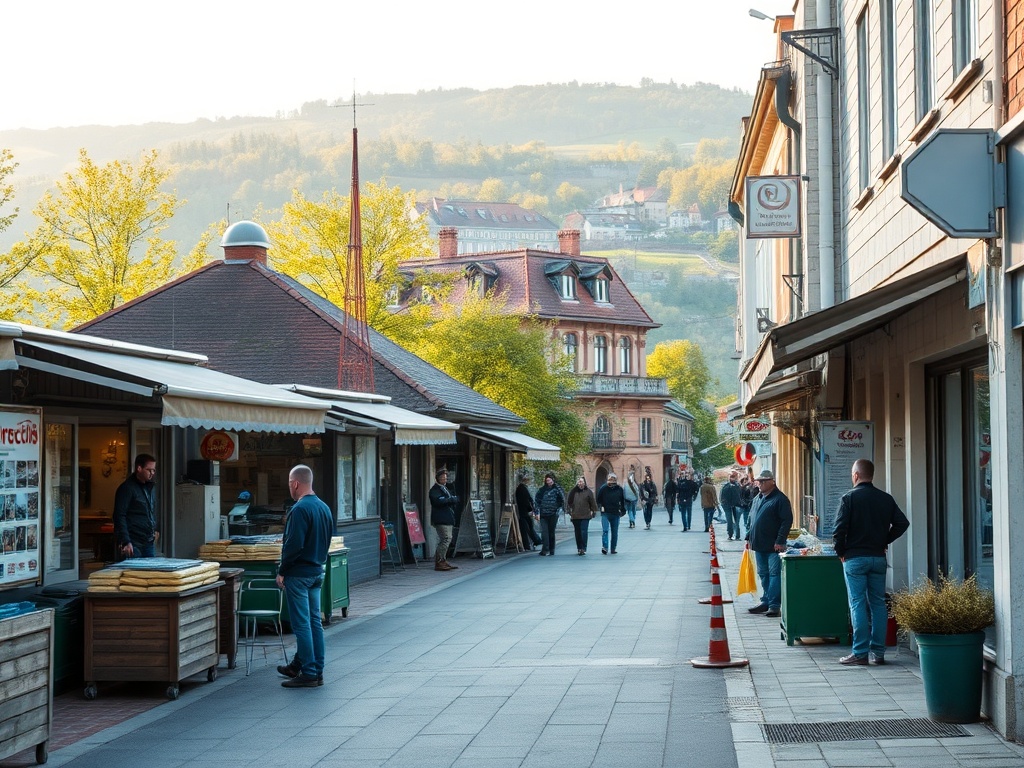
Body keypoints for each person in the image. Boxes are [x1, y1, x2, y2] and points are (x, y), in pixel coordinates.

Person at [832, 459, 910, 666]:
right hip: (878, 558)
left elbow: (839, 530)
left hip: (855, 559)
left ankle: (859, 653)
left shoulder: (849, 498)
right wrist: (884, 540)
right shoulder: (885, 498)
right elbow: (903, 523)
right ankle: (878, 653)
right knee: (878, 604)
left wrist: (841, 552)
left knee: (857, 603)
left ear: (856, 475)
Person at [276, 464, 335, 688]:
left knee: (302, 625)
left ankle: (309, 672)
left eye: (290, 484)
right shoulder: (323, 507)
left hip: (299, 574)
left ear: (296, 483)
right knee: (314, 623)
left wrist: (282, 570)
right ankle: (312, 668)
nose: (290, 487)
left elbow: (293, 545)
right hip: (316, 571)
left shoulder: (300, 510)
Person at [745, 469, 793, 618]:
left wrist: (780, 540)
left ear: (772, 481)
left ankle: (774, 605)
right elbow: (752, 520)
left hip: (773, 545)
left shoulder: (780, 499)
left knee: (773, 574)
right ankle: (766, 600)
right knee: (763, 574)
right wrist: (748, 537)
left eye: (763, 481)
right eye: (759, 481)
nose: (760, 484)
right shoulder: (758, 498)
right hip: (758, 544)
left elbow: (786, 521)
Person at [113, 453, 159, 558]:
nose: (152, 473)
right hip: (133, 542)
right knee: (134, 572)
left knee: (150, 573)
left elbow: (150, 511)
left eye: (154, 470)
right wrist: (126, 541)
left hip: (148, 541)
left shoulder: (149, 488)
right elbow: (119, 515)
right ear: (139, 468)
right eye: (149, 470)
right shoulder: (127, 488)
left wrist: (155, 529)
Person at [429, 469, 460, 571]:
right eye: (442, 477)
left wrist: (451, 499)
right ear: (437, 478)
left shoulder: (445, 488)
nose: (444, 479)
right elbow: (438, 501)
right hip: (441, 518)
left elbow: (449, 499)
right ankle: (439, 561)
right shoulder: (435, 490)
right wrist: (451, 500)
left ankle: (443, 560)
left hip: (448, 518)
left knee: (448, 539)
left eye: (445, 477)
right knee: (445, 539)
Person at [534, 472, 565, 556]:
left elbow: (562, 499)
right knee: (544, 532)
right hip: (543, 514)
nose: (548, 482)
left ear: (553, 480)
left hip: (553, 513)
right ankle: (545, 549)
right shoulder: (542, 490)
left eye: (549, 480)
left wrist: (559, 510)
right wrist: (537, 512)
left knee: (551, 532)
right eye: (547, 480)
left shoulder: (557, 489)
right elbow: (537, 501)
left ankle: (552, 549)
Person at [596, 473, 626, 554]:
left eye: (613, 479)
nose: (611, 481)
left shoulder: (619, 489)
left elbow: (622, 501)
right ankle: (605, 547)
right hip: (605, 513)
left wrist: (623, 510)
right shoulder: (603, 488)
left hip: (616, 513)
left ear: (615, 480)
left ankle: (613, 548)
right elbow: (598, 499)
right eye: (610, 479)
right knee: (605, 530)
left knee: (614, 532)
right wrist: (601, 506)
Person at [567, 477, 597, 555]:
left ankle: (583, 548)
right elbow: (568, 503)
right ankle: (579, 547)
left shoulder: (588, 492)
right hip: (575, 515)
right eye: (579, 482)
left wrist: (593, 511)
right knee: (578, 532)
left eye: (582, 481)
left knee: (584, 531)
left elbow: (592, 502)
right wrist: (569, 512)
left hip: (585, 515)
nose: (580, 483)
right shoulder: (573, 492)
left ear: (584, 482)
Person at [514, 473, 542, 551]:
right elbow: (526, 500)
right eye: (528, 480)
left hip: (523, 511)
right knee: (527, 528)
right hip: (523, 512)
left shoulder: (521, 488)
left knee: (527, 527)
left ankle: (535, 541)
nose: (529, 482)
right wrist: (530, 509)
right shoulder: (522, 488)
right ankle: (535, 541)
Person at [719, 471, 743, 541]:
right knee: (734, 521)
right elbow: (739, 496)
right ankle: (735, 535)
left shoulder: (728, 486)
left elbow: (722, 497)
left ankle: (732, 535)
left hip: (730, 505)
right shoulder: (736, 486)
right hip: (732, 505)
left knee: (731, 520)